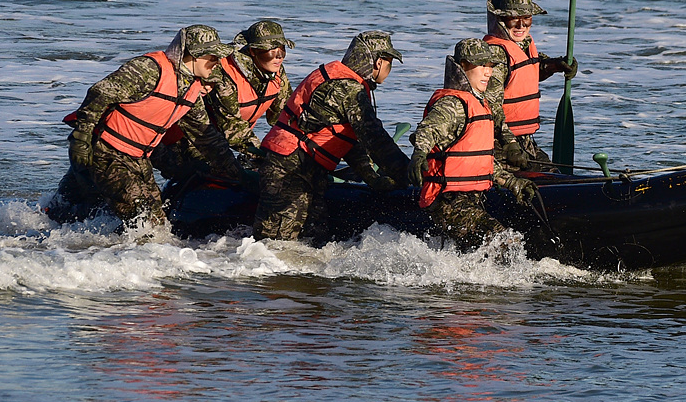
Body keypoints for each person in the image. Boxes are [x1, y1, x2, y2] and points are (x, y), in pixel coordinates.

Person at [45, 25, 243, 228]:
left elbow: (206, 136)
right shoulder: (149, 69)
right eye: (212, 57)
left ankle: (84, 240)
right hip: (107, 152)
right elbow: (100, 92)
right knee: (144, 219)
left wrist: (236, 173)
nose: (217, 62)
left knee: (158, 223)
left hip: (139, 158)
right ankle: (95, 251)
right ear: (192, 54)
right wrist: (81, 137)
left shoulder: (191, 87)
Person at [253, 30, 411, 243]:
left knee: (313, 240)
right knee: (276, 242)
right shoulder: (347, 88)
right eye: (389, 62)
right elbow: (375, 139)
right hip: (289, 169)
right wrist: (410, 176)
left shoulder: (345, 82)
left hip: (307, 169)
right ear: (377, 62)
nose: (389, 68)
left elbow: (348, 141)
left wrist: (372, 178)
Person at [409, 38, 539, 252]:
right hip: (447, 200)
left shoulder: (480, 104)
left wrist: (514, 183)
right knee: (505, 242)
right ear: (463, 67)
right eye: (482, 66)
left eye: (491, 66)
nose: (488, 72)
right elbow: (428, 129)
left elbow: (483, 162)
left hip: (470, 198)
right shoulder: (452, 104)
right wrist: (419, 154)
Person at [150, 20, 294, 179]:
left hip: (223, 143)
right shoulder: (223, 74)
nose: (279, 55)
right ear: (253, 51)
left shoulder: (274, 71)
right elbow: (232, 129)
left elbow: (285, 118)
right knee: (206, 178)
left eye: (282, 48)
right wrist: (266, 156)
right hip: (189, 141)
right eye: (271, 49)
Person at [483, 0, 578, 169]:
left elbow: (529, 69)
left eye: (526, 17)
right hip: (498, 143)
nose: (521, 25)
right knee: (541, 184)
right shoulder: (494, 54)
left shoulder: (523, 44)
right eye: (514, 18)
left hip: (524, 141)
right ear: (501, 19)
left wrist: (556, 65)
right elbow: (490, 106)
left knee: (553, 174)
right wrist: (509, 143)